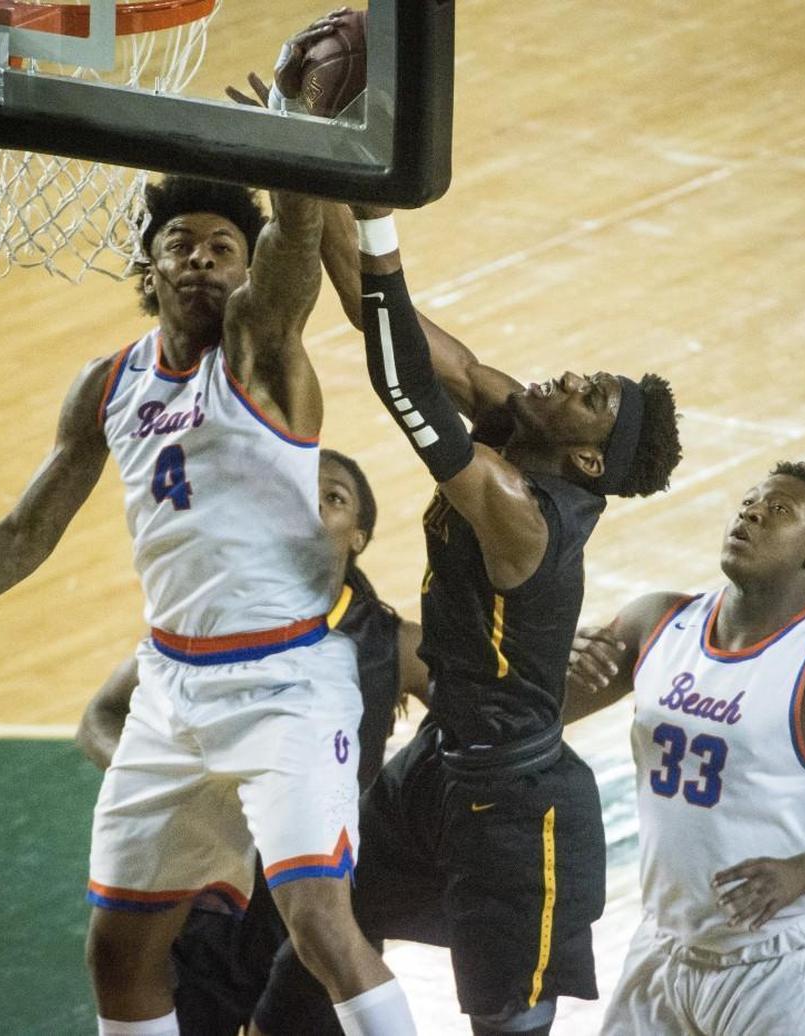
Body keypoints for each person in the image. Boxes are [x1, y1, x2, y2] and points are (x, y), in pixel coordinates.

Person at [0, 20, 421, 1031]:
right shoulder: (108, 384)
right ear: (148, 270)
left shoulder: (260, 351)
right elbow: (24, 531)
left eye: (222, 248)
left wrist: (296, 132)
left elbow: (296, 242)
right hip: (171, 690)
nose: (202, 259)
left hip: (287, 680)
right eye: (179, 246)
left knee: (320, 927)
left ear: (244, 273)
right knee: (118, 954)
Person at [252, 192, 682, 1036]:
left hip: (517, 810)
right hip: (437, 763)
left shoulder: (524, 512)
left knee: (502, 1025)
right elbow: (381, 315)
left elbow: (400, 380)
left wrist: (379, 222)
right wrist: (313, 179)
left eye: (591, 396)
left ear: (588, 459)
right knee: (315, 945)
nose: (571, 377)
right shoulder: (520, 423)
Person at [564, 461, 805, 1035]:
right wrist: (557, 658)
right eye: (748, 503)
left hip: (783, 963)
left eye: (778, 510)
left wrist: (801, 875)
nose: (753, 513)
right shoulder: (657, 621)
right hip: (664, 945)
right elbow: (537, 713)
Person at [76, 447, 430, 1035]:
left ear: (359, 536)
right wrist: (190, 787)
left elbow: (495, 717)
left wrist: (572, 670)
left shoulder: (394, 643)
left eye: (333, 497)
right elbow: (100, 717)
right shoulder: (210, 617)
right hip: (214, 889)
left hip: (321, 889)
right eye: (296, 492)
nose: (312, 505)